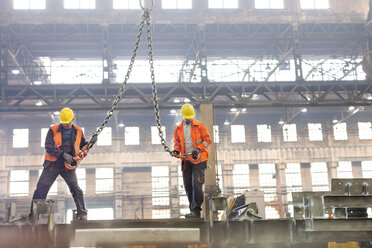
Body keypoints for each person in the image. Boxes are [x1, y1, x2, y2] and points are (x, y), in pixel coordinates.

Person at [30, 107, 96, 221]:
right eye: (63, 123)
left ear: (72, 119)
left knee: (76, 189)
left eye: (67, 122)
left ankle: (82, 213)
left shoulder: (78, 131)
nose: (65, 125)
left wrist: (91, 143)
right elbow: (48, 147)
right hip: (52, 164)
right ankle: (33, 215)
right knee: (41, 188)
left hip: (68, 166)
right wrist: (62, 154)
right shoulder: (53, 130)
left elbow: (82, 146)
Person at [173, 104, 212, 218]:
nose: (189, 118)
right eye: (187, 116)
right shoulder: (178, 129)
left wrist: (198, 149)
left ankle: (196, 210)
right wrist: (176, 151)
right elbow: (177, 143)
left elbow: (207, 140)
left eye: (190, 116)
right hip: (186, 160)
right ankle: (192, 210)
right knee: (188, 185)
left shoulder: (199, 126)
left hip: (199, 159)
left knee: (196, 182)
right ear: (183, 116)